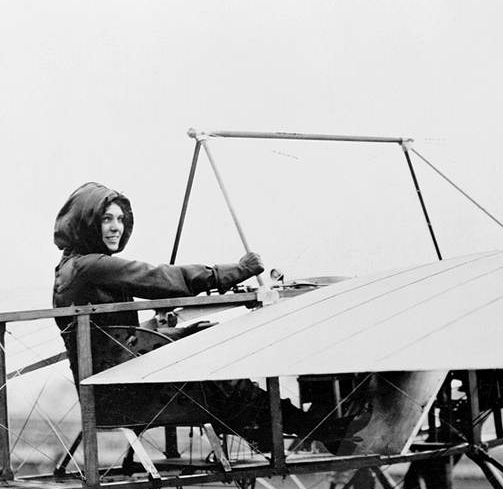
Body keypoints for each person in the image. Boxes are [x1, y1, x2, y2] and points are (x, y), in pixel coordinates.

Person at [52, 181, 313, 450]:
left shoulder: (69, 269)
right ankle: (313, 426)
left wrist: (187, 333)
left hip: (110, 389)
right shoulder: (91, 266)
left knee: (203, 342)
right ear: (86, 222)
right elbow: (159, 278)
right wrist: (234, 271)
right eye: (106, 219)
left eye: (119, 219)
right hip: (125, 394)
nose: (116, 227)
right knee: (224, 380)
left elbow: (112, 334)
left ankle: (273, 429)